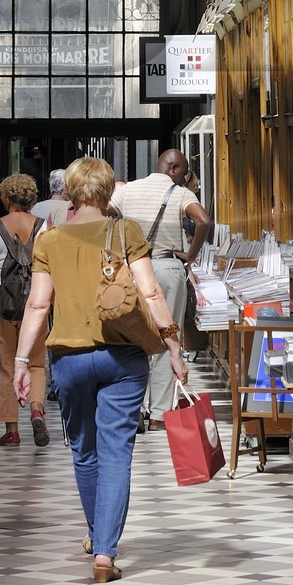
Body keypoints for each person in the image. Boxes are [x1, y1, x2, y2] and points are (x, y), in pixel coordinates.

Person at [12, 156, 186, 583]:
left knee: (84, 450)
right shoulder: (125, 231)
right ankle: (105, 552)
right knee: (116, 453)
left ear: (70, 193)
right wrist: (174, 347)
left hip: (68, 359)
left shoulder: (48, 241)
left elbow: (37, 305)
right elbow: (149, 292)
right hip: (123, 358)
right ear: (109, 192)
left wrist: (21, 360)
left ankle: (97, 533)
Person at [110, 149, 210, 429]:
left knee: (133, 338)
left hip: (132, 270)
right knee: (169, 338)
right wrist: (190, 255)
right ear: (175, 169)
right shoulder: (180, 194)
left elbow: (105, 213)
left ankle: (135, 408)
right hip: (167, 267)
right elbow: (203, 220)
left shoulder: (127, 191)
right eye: (184, 172)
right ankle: (159, 414)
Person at [0, 172, 51, 449]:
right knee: (35, 363)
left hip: (3, 306)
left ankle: (11, 429)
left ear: (6, 198)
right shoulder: (43, 226)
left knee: (4, 366)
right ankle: (36, 410)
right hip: (35, 305)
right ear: (31, 198)